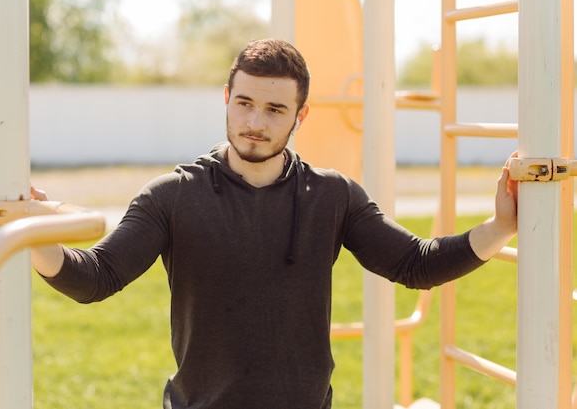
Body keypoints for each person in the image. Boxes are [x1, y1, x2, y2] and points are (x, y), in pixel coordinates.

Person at [31, 38, 518, 409]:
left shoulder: (332, 195)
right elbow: (96, 278)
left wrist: (500, 225)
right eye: (244, 103)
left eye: (274, 109)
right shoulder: (173, 195)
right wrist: (35, 236)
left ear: (300, 116)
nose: (255, 122)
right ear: (226, 97)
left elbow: (414, 264)